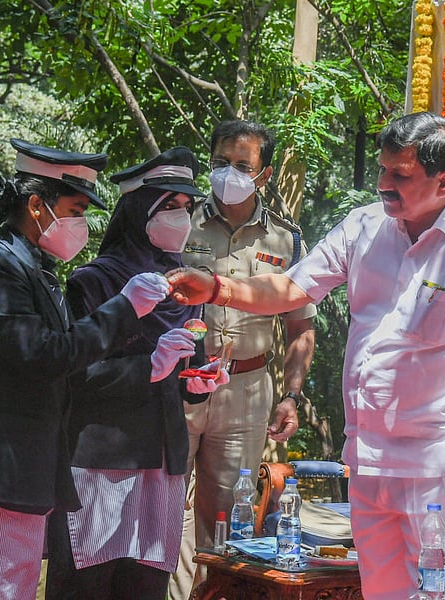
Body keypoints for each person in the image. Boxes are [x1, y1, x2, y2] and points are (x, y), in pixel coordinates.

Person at [167, 111, 445, 599]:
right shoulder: (365, 228)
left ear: (444, 182)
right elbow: (292, 287)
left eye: (399, 175)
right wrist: (218, 287)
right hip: (369, 460)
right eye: (381, 170)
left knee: (442, 595)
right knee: (380, 593)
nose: (383, 184)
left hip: (441, 469)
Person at [0, 139, 171, 599]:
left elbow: (70, 370)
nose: (82, 224)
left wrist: (155, 364)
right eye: (76, 208)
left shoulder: (37, 274)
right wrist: (124, 308)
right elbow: (44, 355)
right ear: (35, 204)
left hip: (17, 479)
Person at [44, 147, 227, 599]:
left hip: (163, 456)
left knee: (145, 585)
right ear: (136, 212)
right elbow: (75, 375)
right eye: (169, 207)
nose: (181, 219)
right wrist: (147, 366)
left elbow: (188, 374)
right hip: (101, 456)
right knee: (88, 582)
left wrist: (201, 382)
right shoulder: (93, 280)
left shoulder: (188, 282)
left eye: (187, 208)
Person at [171, 119, 316, 597]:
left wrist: (292, 395)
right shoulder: (178, 218)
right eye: (219, 163)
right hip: (179, 382)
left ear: (265, 174)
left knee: (225, 518)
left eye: (241, 165)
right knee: (166, 505)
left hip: (248, 390)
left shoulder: (287, 240)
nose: (227, 173)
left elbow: (300, 327)